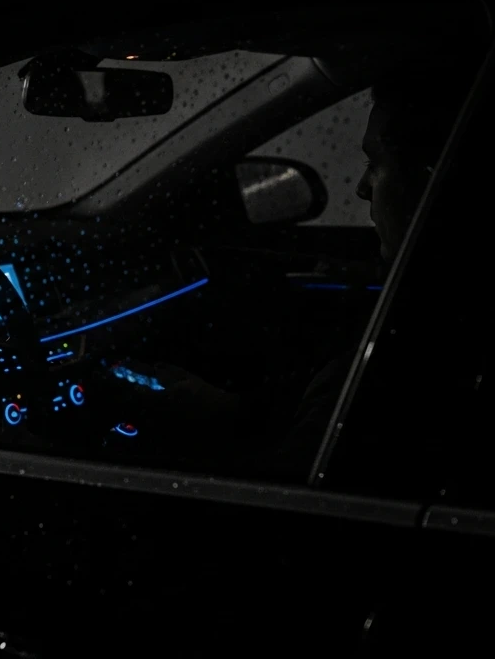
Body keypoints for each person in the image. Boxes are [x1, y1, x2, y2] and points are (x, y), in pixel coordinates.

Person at [149, 62, 475, 477]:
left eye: (376, 163)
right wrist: (231, 411)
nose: (361, 187)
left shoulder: (389, 363)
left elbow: (282, 495)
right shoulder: (438, 312)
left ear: (432, 178)